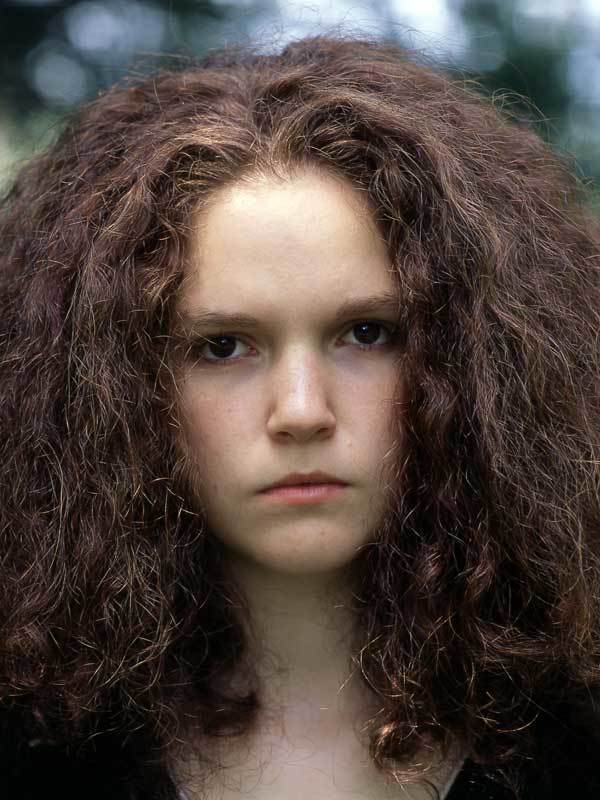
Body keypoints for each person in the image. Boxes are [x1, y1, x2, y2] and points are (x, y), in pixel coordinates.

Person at [1, 32, 599, 800]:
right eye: (222, 346)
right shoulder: (34, 746)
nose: (302, 411)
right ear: (110, 384)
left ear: (474, 357)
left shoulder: (576, 731)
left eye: (367, 333)